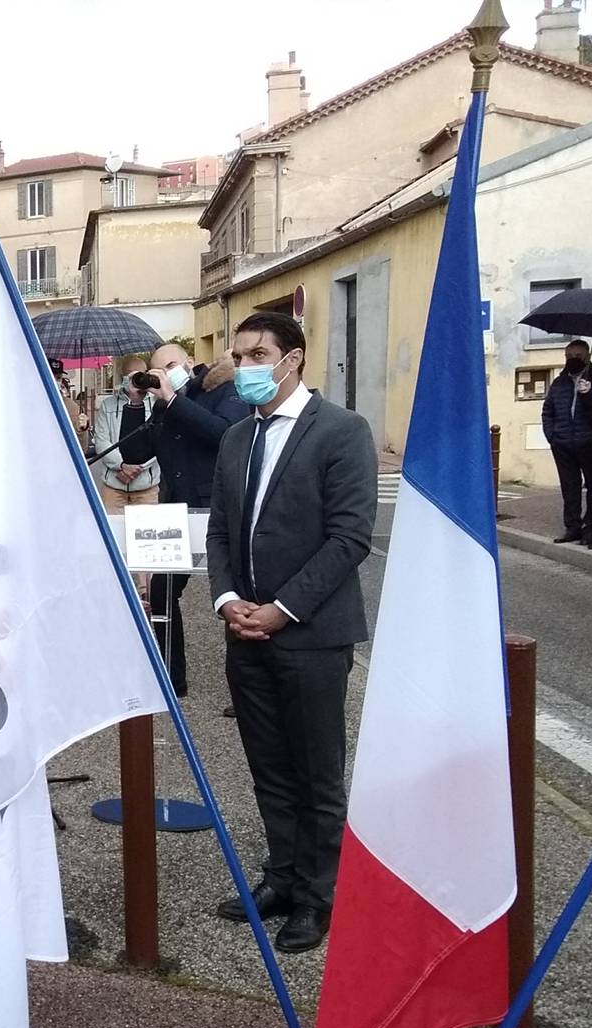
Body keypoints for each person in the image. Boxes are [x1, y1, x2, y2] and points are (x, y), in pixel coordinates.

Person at [206, 311, 377, 954]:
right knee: (270, 769)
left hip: (311, 634)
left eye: (258, 355)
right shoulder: (235, 439)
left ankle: (316, 896)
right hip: (244, 632)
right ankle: (280, 877)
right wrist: (227, 601)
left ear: (293, 359)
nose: (246, 366)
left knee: (317, 775)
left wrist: (283, 608)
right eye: (240, 355)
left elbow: (349, 538)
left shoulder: (341, 432)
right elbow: (221, 530)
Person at [144, 345, 246, 698]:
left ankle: (246, 687)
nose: (165, 374)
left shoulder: (223, 389)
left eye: (171, 365)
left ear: (189, 362)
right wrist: (134, 402)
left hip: (217, 509)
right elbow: (136, 451)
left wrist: (174, 401)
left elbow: (224, 433)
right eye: (158, 370)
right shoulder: (165, 403)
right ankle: (172, 677)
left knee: (235, 595)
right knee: (163, 591)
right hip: (177, 511)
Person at [541, 339, 592, 547]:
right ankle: (572, 527)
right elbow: (548, 410)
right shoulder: (560, 381)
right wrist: (551, 436)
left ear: (588, 356)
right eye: (569, 356)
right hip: (562, 443)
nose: (573, 360)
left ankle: (590, 528)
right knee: (569, 487)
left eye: (578, 356)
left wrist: (587, 394)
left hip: (588, 443)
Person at [91, 355, 160, 513]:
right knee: (113, 533)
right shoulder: (107, 405)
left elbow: (161, 442)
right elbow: (101, 442)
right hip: (114, 487)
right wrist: (121, 465)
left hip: (147, 488)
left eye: (139, 374)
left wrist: (137, 468)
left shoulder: (156, 404)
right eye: (130, 374)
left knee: (145, 533)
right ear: (122, 376)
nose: (135, 378)